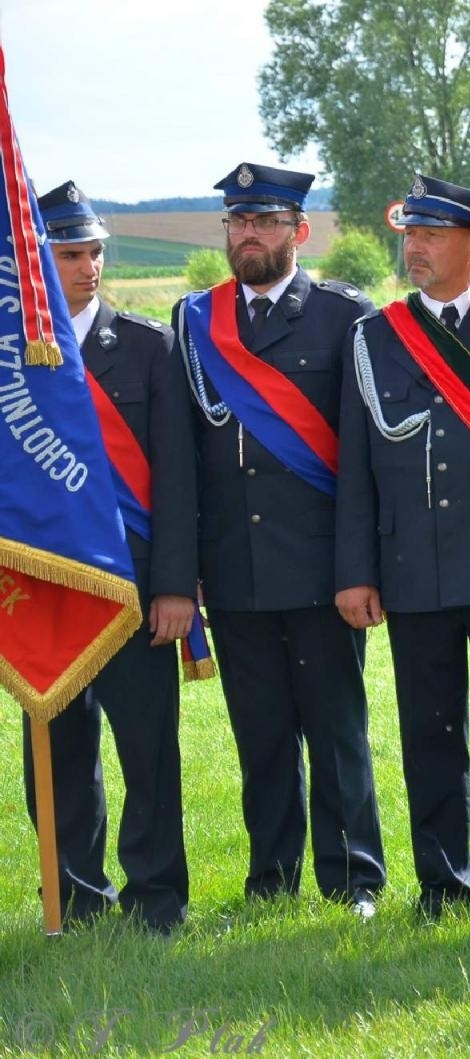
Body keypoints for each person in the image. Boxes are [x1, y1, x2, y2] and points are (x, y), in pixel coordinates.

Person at [335, 175, 470, 921]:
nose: (416, 248)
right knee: (430, 732)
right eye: (410, 235)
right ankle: (442, 882)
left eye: (432, 235)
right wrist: (357, 572)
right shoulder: (373, 337)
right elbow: (358, 466)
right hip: (413, 569)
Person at [176, 162, 385, 914]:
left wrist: (361, 564)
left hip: (323, 566)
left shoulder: (344, 315)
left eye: (264, 222)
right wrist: (194, 565)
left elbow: (364, 457)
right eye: (237, 222)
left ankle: (353, 875)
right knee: (260, 733)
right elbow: (186, 458)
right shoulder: (194, 321)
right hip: (235, 568)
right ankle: (271, 877)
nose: (249, 235)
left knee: (334, 728)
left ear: (298, 231)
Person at [19, 181, 196, 932]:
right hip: (48, 589)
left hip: (134, 590)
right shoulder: (16, 362)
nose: (87, 267)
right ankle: (74, 895)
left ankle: (157, 897)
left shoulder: (150, 346)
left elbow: (180, 480)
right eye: (69, 254)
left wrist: (175, 587)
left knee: (148, 751)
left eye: (94, 252)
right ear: (37, 263)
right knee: (55, 756)